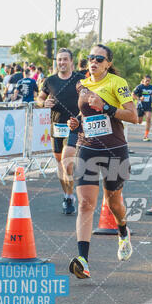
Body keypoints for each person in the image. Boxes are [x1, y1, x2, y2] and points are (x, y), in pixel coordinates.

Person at [67, 44, 138, 279]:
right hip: (86, 148)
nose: (94, 62)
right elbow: (85, 114)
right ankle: (83, 260)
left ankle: (123, 230)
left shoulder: (117, 83)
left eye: (99, 58)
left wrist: (106, 107)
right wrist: (76, 122)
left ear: (108, 63)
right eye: (91, 58)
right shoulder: (82, 84)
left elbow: (133, 116)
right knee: (86, 203)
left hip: (114, 150)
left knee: (113, 203)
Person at [37, 48, 84, 215]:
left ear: (71, 61)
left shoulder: (80, 79)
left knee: (67, 162)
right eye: (59, 60)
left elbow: (87, 98)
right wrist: (43, 103)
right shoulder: (50, 81)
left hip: (74, 125)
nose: (62, 63)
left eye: (65, 59)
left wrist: (81, 116)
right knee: (60, 164)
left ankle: (70, 195)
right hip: (56, 126)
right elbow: (40, 98)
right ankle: (67, 195)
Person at [133, 75, 152, 141]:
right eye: (146, 81)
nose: (147, 82)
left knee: (148, 118)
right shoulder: (139, 87)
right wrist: (139, 98)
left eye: (149, 81)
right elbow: (133, 95)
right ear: (143, 80)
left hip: (148, 106)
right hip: (140, 106)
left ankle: (146, 135)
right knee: (139, 121)